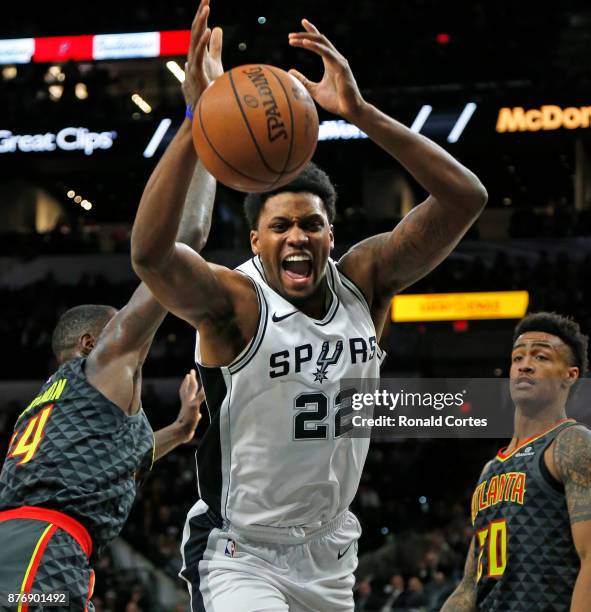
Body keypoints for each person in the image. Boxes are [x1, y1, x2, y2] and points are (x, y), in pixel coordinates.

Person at [130, 1, 487, 609]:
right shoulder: (235, 302)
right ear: (255, 241)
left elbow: (465, 198)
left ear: (330, 234)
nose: (297, 236)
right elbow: (151, 255)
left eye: (311, 225)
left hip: (330, 551)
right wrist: (200, 119)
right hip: (241, 553)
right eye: (281, 227)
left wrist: (359, 112)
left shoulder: (366, 281)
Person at [0, 42, 222, 605]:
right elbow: (185, 244)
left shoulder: (60, 411)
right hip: (41, 546)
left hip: (35, 544)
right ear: (90, 341)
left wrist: (177, 429)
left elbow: (118, 460)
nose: (134, 332)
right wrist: (202, 122)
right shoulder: (102, 363)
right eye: (118, 323)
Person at [442, 312, 591, 611]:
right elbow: (470, 585)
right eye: (517, 357)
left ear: (570, 375)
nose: (525, 364)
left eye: (541, 357)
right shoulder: (490, 470)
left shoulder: (573, 443)